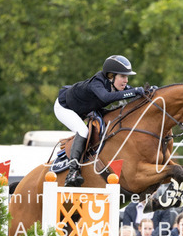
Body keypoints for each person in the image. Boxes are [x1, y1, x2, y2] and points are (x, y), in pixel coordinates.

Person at [55, 55, 145, 187]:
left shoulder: (114, 83)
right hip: (65, 107)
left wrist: (148, 91)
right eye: (122, 76)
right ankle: (73, 172)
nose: (126, 80)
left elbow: (132, 91)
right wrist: (135, 91)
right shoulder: (97, 83)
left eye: (127, 77)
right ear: (111, 76)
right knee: (83, 131)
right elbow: (106, 97)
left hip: (85, 107)